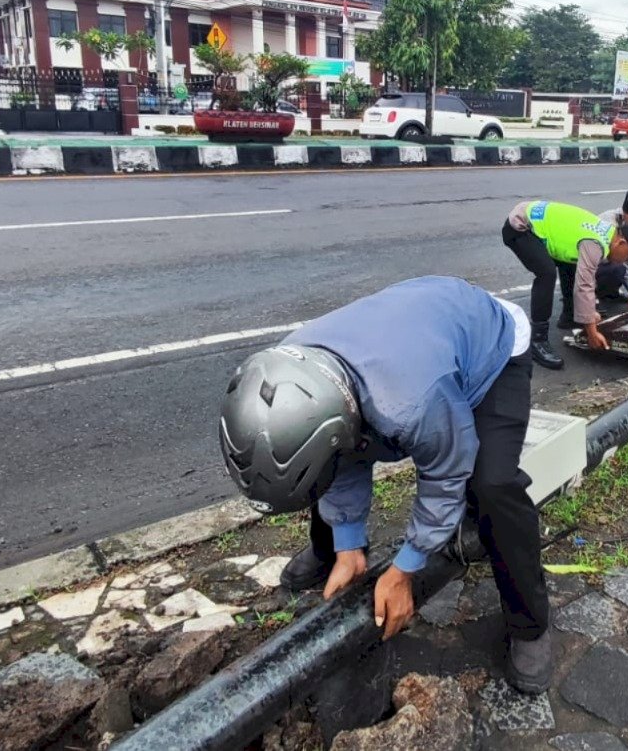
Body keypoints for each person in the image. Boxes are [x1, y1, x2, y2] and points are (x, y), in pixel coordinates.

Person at [218, 276, 554, 693]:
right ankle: (332, 555)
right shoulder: (288, 370)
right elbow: (344, 458)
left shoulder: (411, 405)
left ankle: (530, 625)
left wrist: (405, 569)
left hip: (491, 345)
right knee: (319, 462)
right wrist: (346, 542)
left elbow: (446, 475)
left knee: (492, 486)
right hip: (412, 335)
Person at [503, 200, 628, 370]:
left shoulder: (608, 232)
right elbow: (584, 285)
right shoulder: (596, 242)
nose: (618, 262)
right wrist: (591, 331)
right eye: (624, 257)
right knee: (546, 273)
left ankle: (569, 317)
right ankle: (537, 340)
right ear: (620, 242)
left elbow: (584, 276)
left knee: (571, 264)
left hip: (537, 221)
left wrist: (588, 314)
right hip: (521, 226)